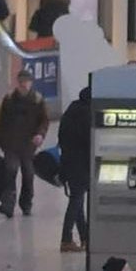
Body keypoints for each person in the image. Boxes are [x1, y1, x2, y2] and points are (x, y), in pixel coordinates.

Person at [0, 80, 51, 217]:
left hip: (28, 146)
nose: (23, 86)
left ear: (30, 83)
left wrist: (40, 134)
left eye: (26, 83)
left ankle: (26, 203)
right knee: (10, 171)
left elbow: (44, 120)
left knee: (28, 174)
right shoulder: (9, 99)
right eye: (21, 83)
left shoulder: (37, 100)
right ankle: (8, 204)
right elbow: (1, 122)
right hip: (10, 143)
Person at [54, 90, 95, 252]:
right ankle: (66, 239)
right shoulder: (86, 114)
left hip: (68, 161)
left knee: (77, 200)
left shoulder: (71, 110)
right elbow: (89, 141)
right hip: (81, 163)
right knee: (76, 200)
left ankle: (84, 237)